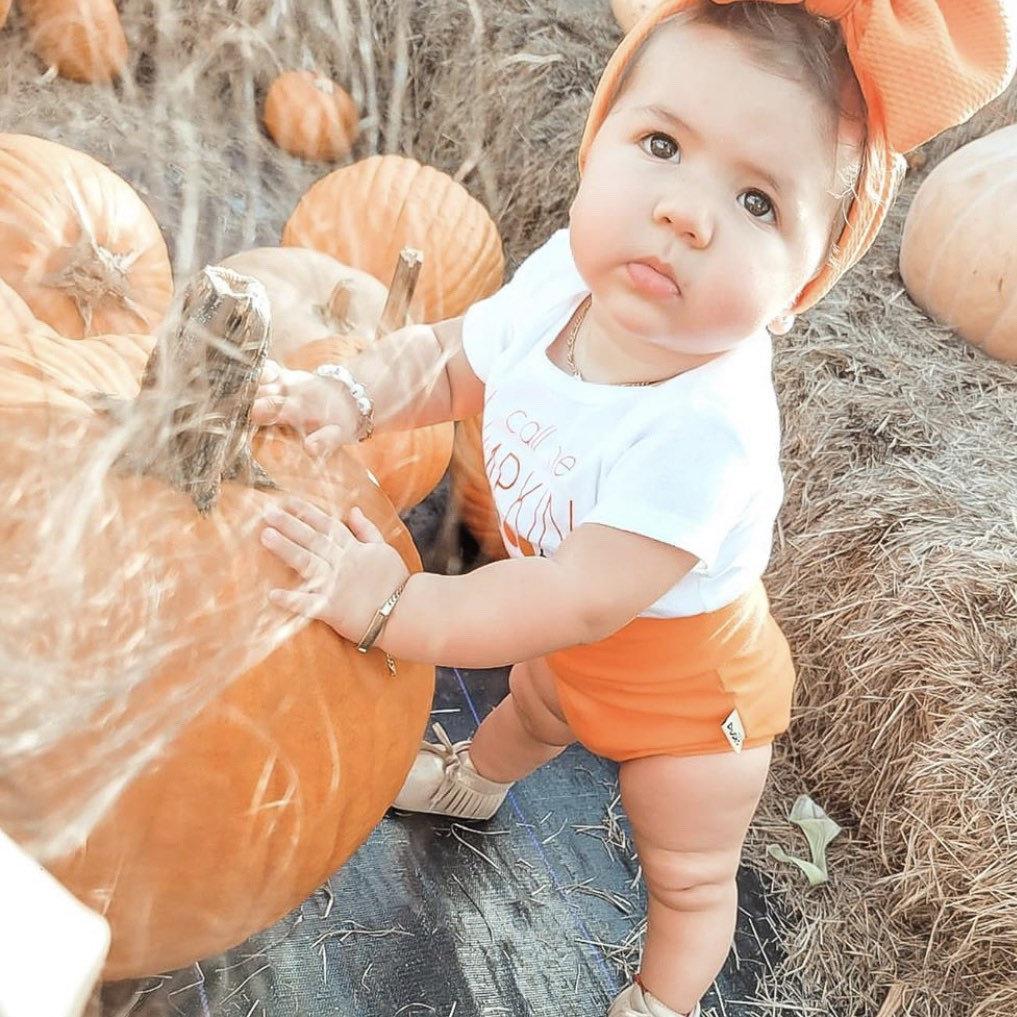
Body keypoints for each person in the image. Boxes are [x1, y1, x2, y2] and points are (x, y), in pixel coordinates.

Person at [250, 3, 1013, 1014]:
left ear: (804, 282)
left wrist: (392, 609)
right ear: (594, 141)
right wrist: (349, 394)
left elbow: (574, 597)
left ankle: (664, 993)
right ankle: (475, 779)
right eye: (661, 145)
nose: (687, 213)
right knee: (536, 702)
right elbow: (450, 358)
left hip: (690, 700)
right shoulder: (563, 281)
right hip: (568, 637)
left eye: (755, 203)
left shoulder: (712, 425)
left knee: (686, 872)